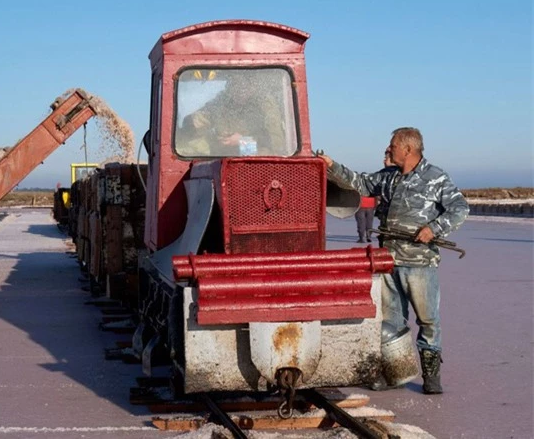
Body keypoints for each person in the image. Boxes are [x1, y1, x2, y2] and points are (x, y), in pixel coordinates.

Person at [318, 127, 469, 394]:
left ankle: (431, 378)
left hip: (420, 264)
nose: (390, 149)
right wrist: (332, 166)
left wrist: (433, 229)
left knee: (428, 321)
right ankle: (395, 374)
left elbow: (459, 208)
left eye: (393, 145)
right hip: (388, 260)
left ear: (408, 149)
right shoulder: (388, 177)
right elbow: (360, 182)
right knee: (391, 321)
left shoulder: (436, 177)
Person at [176, 72, 286, 157]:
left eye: (243, 85)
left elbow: (277, 145)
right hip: (221, 161)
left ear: (252, 86)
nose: (238, 90)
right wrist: (192, 122)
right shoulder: (222, 103)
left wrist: (243, 141)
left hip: (255, 165)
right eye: (234, 84)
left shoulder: (265, 107)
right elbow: (196, 121)